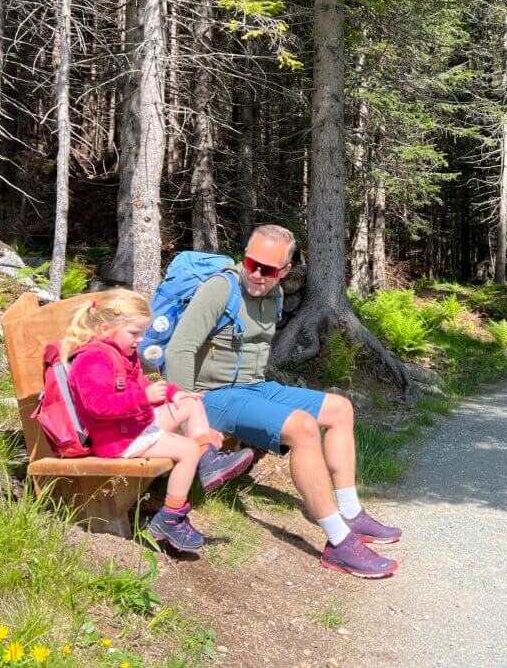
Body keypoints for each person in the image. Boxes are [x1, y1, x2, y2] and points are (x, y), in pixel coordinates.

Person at [164, 224, 402, 579]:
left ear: (285, 272)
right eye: (251, 263)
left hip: (253, 388)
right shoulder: (220, 289)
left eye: (268, 269)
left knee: (340, 409)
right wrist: (187, 416)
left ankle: (351, 513)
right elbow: (179, 349)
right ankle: (338, 543)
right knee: (302, 428)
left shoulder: (273, 297)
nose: (257, 274)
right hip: (212, 397)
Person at [62, 289, 255, 552]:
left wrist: (176, 394)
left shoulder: (119, 354)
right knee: (187, 451)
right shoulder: (91, 360)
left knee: (190, 404)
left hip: (132, 426)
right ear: (106, 328)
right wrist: (143, 399)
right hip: (117, 441)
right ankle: (170, 518)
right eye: (134, 333)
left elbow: (142, 384)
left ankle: (209, 461)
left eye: (142, 334)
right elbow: (98, 407)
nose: (140, 340)